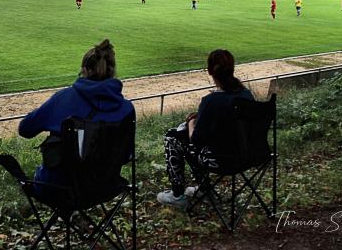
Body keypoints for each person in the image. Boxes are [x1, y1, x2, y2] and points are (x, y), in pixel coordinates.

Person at [18, 39, 135, 201]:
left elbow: (25, 129)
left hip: (60, 189)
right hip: (105, 187)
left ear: (85, 70)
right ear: (112, 71)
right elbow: (126, 155)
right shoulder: (127, 109)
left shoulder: (65, 98)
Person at [157, 49, 254, 207]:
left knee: (172, 137)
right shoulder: (246, 95)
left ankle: (177, 194)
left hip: (222, 161)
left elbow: (195, 140)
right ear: (232, 69)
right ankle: (204, 190)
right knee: (202, 144)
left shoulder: (210, 101)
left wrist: (191, 122)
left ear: (210, 71)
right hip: (248, 155)